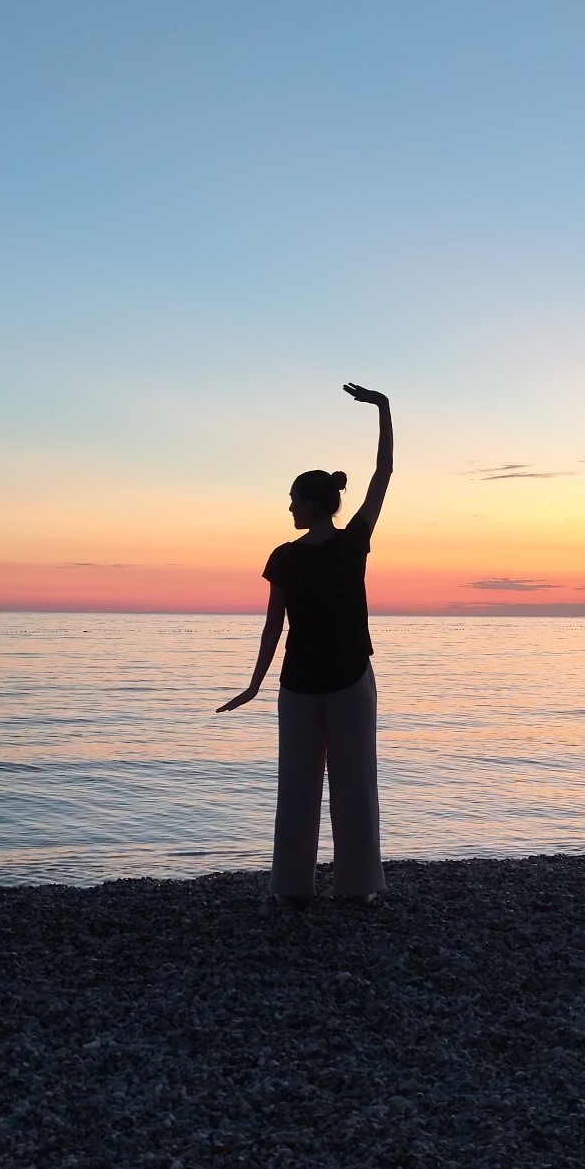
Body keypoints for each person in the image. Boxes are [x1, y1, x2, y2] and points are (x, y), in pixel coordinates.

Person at [217, 382, 394, 905]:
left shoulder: (346, 542)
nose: (288, 506)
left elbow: (383, 474)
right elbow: (275, 627)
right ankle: (312, 889)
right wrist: (253, 684)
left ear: (313, 503)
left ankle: (333, 889)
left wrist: (383, 410)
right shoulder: (289, 555)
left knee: (337, 789)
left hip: (337, 679)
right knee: (320, 790)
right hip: (311, 684)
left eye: (294, 499)